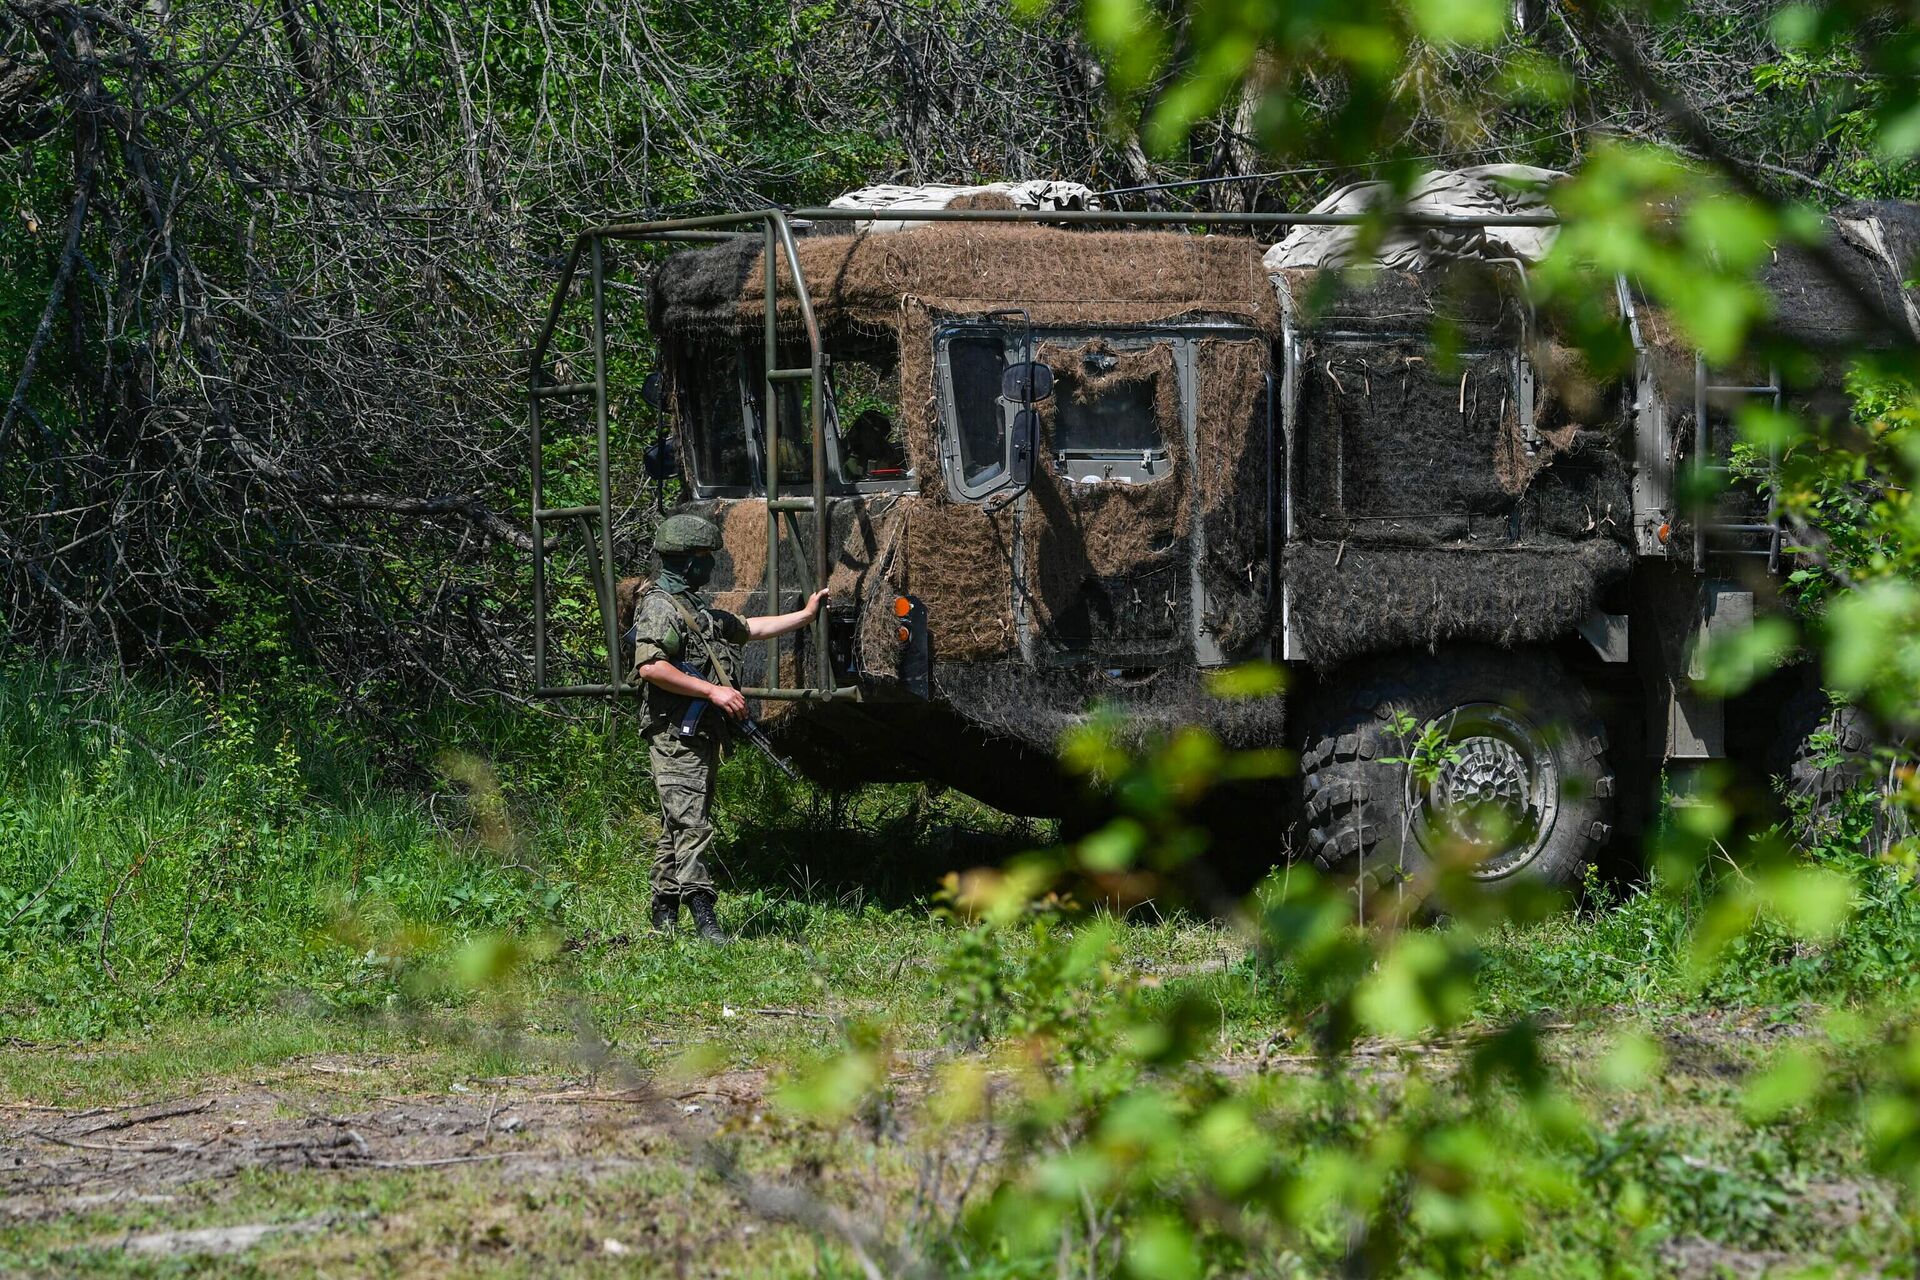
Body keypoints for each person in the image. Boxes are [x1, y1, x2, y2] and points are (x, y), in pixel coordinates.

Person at [627, 513, 827, 943]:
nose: (710, 565)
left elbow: (749, 629)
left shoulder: (695, 607)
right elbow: (651, 667)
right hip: (673, 733)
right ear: (685, 561)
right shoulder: (661, 606)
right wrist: (713, 692)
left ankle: (663, 914)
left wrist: (805, 616)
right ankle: (704, 917)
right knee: (693, 824)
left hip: (696, 734)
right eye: (704, 557)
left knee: (677, 823)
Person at [840, 408, 906, 479]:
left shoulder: (888, 452)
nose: (881, 443)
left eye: (884, 438)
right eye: (878, 438)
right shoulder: (841, 454)